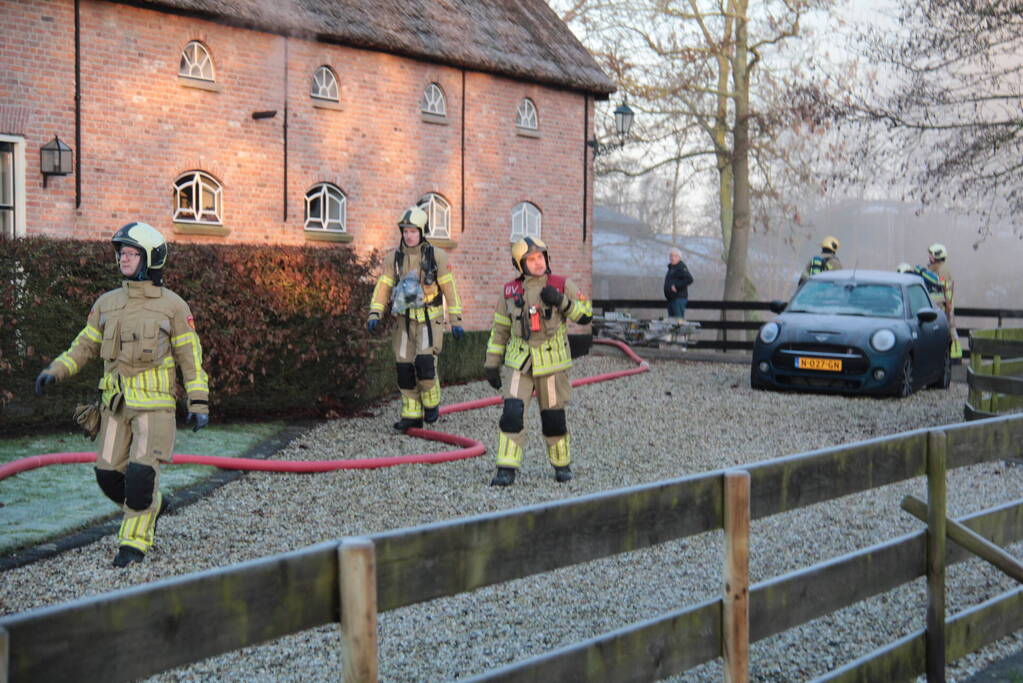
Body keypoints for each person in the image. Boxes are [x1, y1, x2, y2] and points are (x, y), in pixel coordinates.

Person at [34, 222, 210, 567]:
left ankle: (132, 545)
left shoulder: (173, 307)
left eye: (131, 253)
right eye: (121, 253)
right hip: (114, 407)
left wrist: (198, 401)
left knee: (141, 477)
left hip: (155, 408)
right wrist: (55, 370)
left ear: (150, 259)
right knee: (107, 474)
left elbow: (191, 358)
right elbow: (84, 346)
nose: (123, 259)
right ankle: (152, 507)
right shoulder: (106, 304)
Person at [483, 236, 593, 486]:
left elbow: (586, 314)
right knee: (512, 413)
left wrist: (562, 301)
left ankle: (561, 465)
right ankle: (506, 468)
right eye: (531, 259)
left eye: (541, 257)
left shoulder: (562, 284)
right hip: (519, 361)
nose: (538, 262)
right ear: (520, 265)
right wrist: (492, 362)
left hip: (552, 362)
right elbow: (500, 329)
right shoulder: (509, 291)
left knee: (553, 417)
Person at [367, 206, 464, 431]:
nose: (409, 235)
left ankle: (431, 403)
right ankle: (411, 414)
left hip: (429, 321)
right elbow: (384, 286)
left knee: (425, 364)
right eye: (405, 231)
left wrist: (456, 320)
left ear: (422, 231)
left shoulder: (436, 255)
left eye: (413, 231)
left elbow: (450, 289)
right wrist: (375, 312)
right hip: (404, 320)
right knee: (403, 368)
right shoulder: (394, 258)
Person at [927, 242, 961, 359]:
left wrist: (948, 310)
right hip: (935, 310)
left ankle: (953, 357)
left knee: (947, 333)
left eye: (931, 255)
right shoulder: (932, 271)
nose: (929, 257)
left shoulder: (943, 271)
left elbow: (947, 293)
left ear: (937, 256)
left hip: (941, 310)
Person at [663, 247, 694, 318]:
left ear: (679, 258)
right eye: (671, 256)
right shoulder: (671, 268)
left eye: (675, 256)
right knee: (671, 322)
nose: (672, 258)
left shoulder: (681, 267)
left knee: (678, 322)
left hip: (678, 299)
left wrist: (677, 286)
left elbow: (689, 279)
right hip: (671, 299)